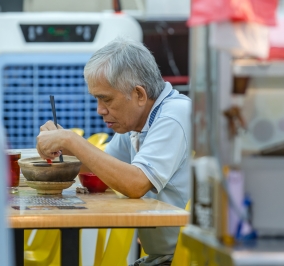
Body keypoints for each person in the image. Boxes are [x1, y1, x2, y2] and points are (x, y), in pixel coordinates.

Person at [36, 36, 191, 266]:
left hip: (184, 260)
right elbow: (102, 170)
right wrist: (58, 147)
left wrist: (72, 140)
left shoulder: (174, 115)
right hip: (161, 258)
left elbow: (135, 183)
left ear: (139, 94)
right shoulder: (137, 124)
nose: (100, 110)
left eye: (106, 99)